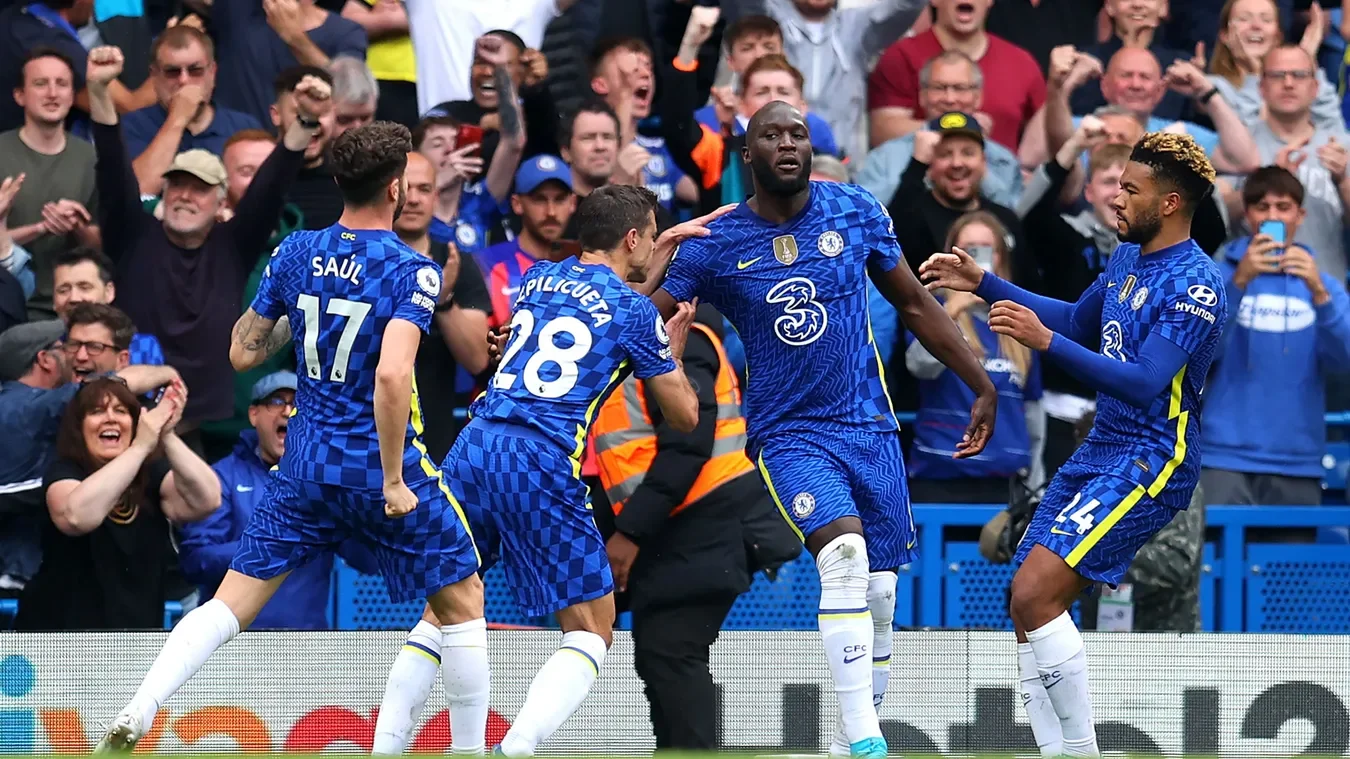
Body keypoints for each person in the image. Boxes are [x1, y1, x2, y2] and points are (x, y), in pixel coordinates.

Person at [93, 121, 486, 752]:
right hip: (374, 465)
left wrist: (305, 322)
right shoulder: (412, 270)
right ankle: (469, 750)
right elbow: (391, 376)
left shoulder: (297, 251)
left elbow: (243, 353)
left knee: (231, 603)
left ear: (337, 182)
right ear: (394, 187)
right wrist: (392, 479)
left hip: (303, 463)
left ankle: (140, 707)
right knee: (463, 601)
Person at [637, 101, 999, 758]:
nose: (787, 144)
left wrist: (981, 381)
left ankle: (844, 740)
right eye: (771, 135)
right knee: (844, 557)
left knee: (881, 590)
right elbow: (638, 320)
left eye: (797, 134)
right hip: (789, 436)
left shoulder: (855, 210)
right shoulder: (715, 242)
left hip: (869, 426)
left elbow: (915, 302)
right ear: (747, 155)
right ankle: (866, 740)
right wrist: (646, 272)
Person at [918, 131, 1227, 759]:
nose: (1116, 197)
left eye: (1131, 189)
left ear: (1170, 203)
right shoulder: (1127, 257)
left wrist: (1044, 343)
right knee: (1024, 600)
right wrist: (985, 283)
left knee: (1036, 594)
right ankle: (1055, 752)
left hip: (1152, 454)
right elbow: (1076, 320)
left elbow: (1144, 382)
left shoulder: (1198, 283)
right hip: (1103, 445)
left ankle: (1081, 752)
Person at [371, 185, 704, 757]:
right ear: (632, 239)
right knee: (593, 628)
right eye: (651, 236)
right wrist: (668, 350)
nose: (654, 245)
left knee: (444, 612)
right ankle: (516, 748)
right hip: (540, 457)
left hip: (476, 444)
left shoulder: (536, 279)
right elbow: (685, 416)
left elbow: (595, 306)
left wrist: (663, 250)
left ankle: (386, 746)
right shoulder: (635, 315)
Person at [15, 376, 221, 631]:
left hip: (137, 634)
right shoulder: (63, 471)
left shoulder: (150, 474)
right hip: (63, 637)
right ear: (79, 428)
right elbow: (77, 517)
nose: (110, 418)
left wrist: (166, 434)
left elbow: (208, 499)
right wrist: (139, 447)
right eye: (97, 411)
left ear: (135, 425)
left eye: (121, 411)